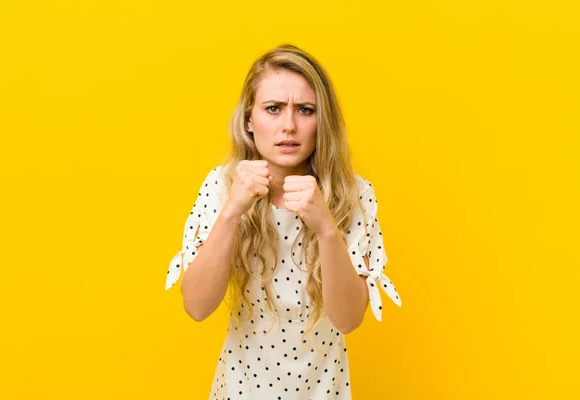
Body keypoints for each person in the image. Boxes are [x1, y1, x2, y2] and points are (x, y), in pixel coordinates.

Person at [165, 43, 402, 399]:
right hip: (240, 388)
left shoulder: (354, 194)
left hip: (324, 390)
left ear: (322, 121)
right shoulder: (221, 184)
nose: (288, 125)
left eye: (305, 110)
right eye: (273, 109)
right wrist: (232, 211)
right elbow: (197, 307)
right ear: (249, 119)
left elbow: (349, 319)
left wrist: (326, 227)